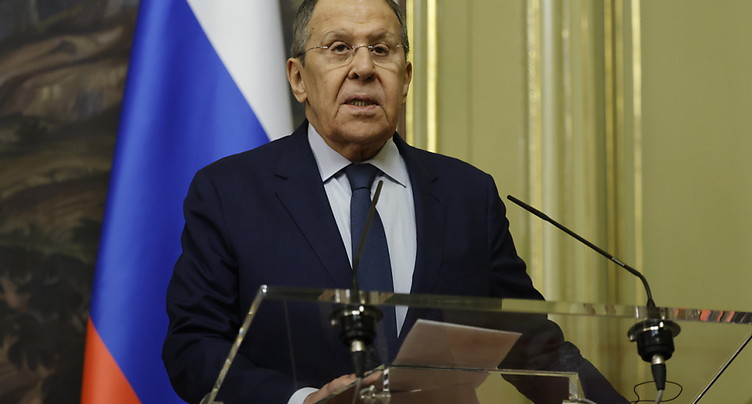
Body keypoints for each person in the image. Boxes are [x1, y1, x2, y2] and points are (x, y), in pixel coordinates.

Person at [163, 0, 628, 403]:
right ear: (298, 78)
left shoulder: (467, 194)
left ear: (405, 78)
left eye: (381, 49)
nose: (364, 68)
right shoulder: (228, 192)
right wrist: (302, 401)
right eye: (339, 48)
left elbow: (533, 346)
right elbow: (194, 347)